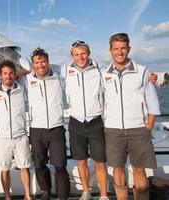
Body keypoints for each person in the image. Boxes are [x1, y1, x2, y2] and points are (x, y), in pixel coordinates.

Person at [102, 33, 161, 200]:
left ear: (128, 49)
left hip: (138, 129)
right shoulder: (103, 73)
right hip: (113, 130)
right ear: (110, 51)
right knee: (118, 169)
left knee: (139, 170)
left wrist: (148, 126)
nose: (119, 52)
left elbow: (153, 101)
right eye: (116, 49)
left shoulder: (143, 71)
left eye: (123, 48)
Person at [21, 47, 70, 200]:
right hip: (36, 129)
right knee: (39, 164)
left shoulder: (58, 76)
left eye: (43, 61)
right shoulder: (27, 79)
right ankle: (46, 191)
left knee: (60, 165)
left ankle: (63, 197)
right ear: (33, 64)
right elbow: (8, 80)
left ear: (48, 62)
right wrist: (19, 73)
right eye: (37, 62)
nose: (40, 65)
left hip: (56, 128)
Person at [65, 40, 108, 200]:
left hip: (95, 121)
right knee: (81, 161)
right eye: (76, 54)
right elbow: (39, 71)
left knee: (100, 161)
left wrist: (149, 79)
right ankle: (86, 191)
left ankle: (103, 195)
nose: (80, 57)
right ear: (72, 56)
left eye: (83, 53)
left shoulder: (99, 70)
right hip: (76, 121)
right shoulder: (65, 71)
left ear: (88, 53)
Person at [0, 60, 33, 200]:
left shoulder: (22, 88)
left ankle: (28, 195)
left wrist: (21, 74)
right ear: (0, 76)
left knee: (24, 166)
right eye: (5, 73)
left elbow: (31, 72)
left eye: (11, 73)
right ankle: (7, 196)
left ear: (15, 75)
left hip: (20, 135)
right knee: (4, 168)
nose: (8, 76)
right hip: (3, 137)